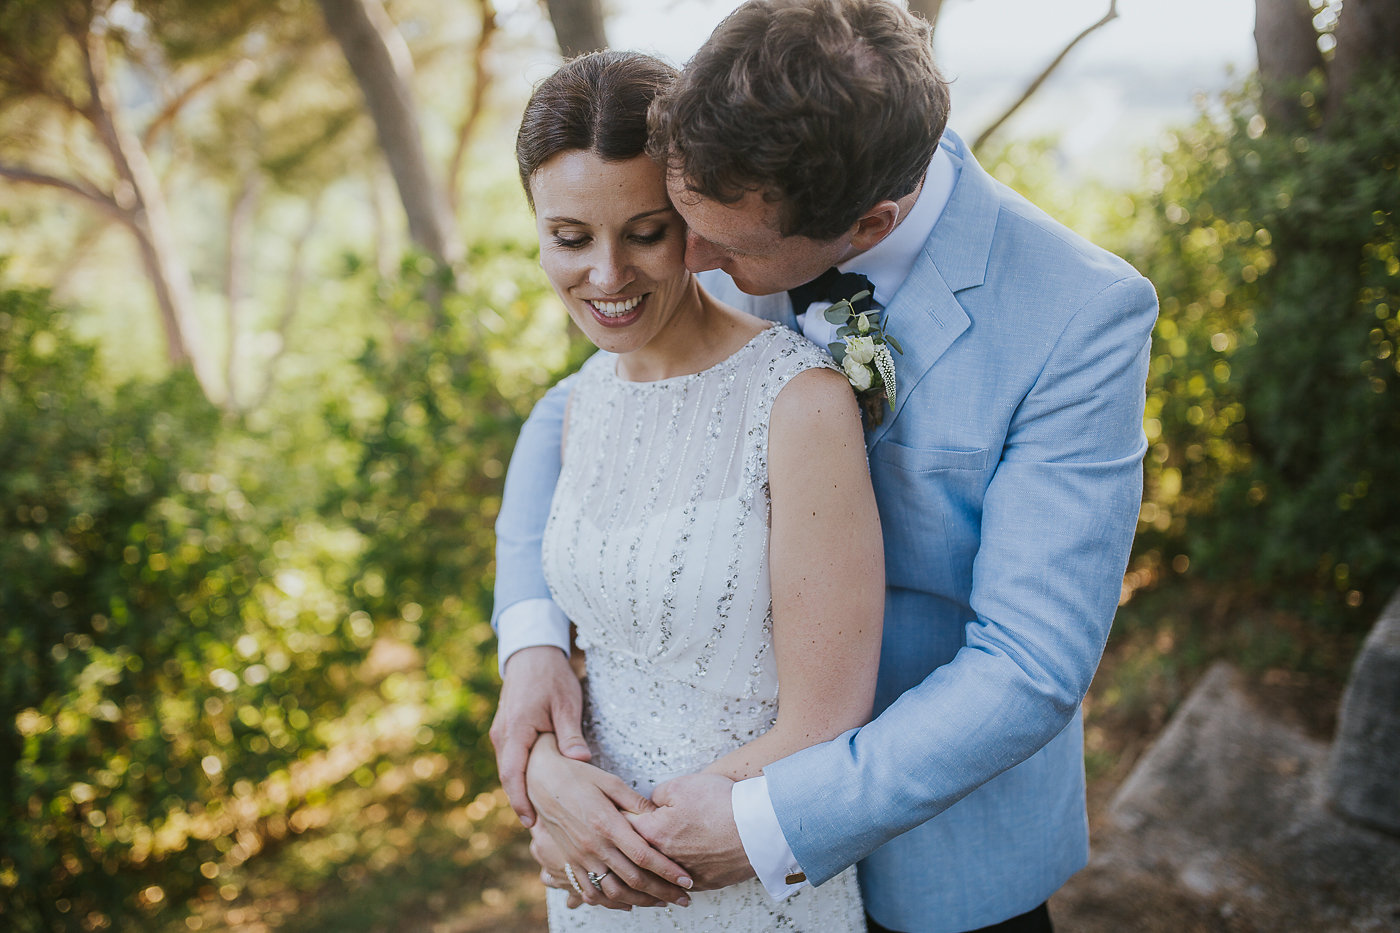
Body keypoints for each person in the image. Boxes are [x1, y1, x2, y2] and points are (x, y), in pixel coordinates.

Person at [491, 1, 1159, 931]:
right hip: (688, 807)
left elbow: (1030, 660)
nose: (694, 261)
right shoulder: (721, 182)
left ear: (871, 219)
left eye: (724, 246)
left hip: (940, 849)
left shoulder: (1077, 315)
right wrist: (531, 642)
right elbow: (587, 409)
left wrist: (766, 820)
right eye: (677, 224)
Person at [507, 48, 886, 931]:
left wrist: (610, 839)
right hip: (596, 892)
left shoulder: (799, 401)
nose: (606, 276)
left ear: (695, 215)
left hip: (741, 876)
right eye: (570, 238)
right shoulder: (574, 407)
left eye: (645, 232)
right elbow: (583, 670)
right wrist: (548, 779)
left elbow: (825, 723)